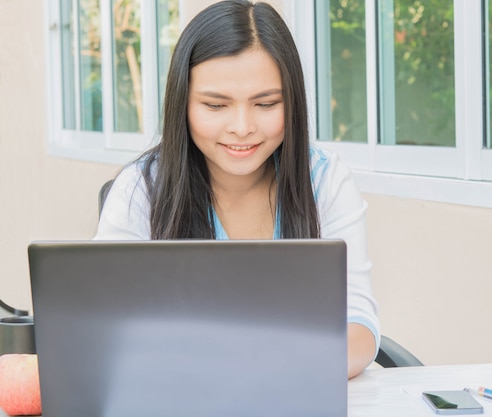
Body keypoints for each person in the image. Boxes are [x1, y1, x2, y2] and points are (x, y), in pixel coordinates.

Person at [95, 0, 379, 379]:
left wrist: (263, 369)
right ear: (183, 105)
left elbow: (358, 325)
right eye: (216, 105)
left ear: (291, 102)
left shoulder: (324, 179)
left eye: (265, 103)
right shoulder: (141, 187)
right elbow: (102, 327)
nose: (242, 126)